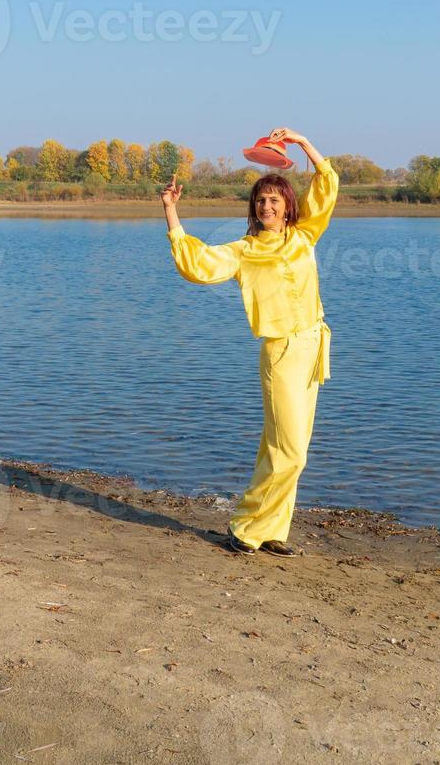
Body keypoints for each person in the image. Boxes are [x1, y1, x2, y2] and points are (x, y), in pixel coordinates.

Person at [161, 127, 339, 557]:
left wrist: (300, 142)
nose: (267, 206)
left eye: (275, 200)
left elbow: (327, 183)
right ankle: (244, 525)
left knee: (281, 447)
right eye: (261, 201)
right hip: (280, 352)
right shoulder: (244, 250)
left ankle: (270, 530)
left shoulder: (303, 236)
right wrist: (170, 212)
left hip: (313, 346)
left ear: (287, 206)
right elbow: (197, 263)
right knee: (290, 451)